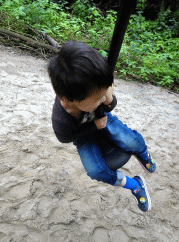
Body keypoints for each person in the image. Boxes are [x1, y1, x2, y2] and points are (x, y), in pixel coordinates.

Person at [48, 41, 156, 212]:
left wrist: (109, 101)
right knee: (95, 171)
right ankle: (135, 184)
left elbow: (108, 105)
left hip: (103, 119)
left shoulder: (92, 87)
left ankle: (143, 154)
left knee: (131, 141)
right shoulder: (62, 119)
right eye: (97, 99)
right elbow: (65, 138)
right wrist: (94, 126)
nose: (102, 99)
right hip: (83, 137)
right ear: (69, 100)